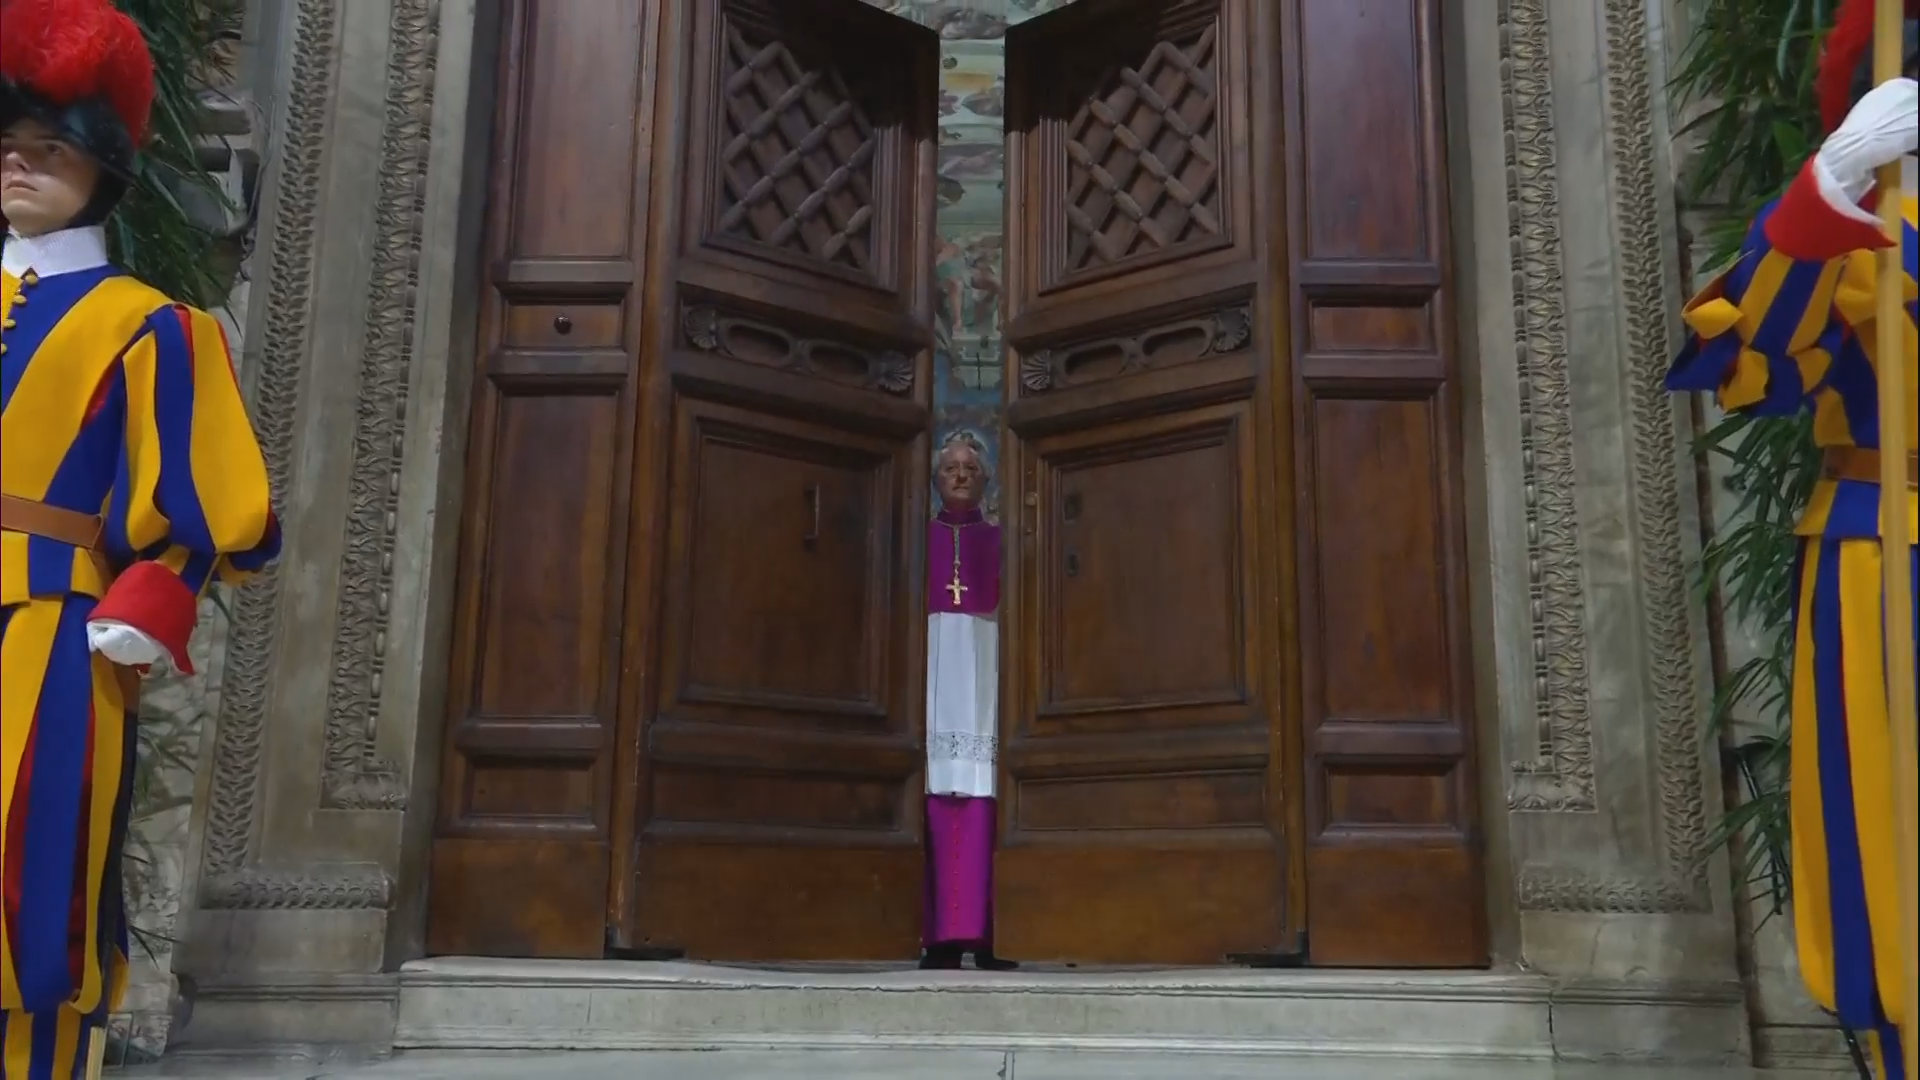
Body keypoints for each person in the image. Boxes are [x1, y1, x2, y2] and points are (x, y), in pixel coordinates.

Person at [1, 1, 281, 1075]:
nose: (20, 163)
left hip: (51, 632)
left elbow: (206, 507)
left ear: (103, 163)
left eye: (50, 147)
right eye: (8, 143)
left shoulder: (148, 324)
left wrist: (145, 606)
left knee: (39, 886)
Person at [1666, 2, 1917, 1075]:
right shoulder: (1872, 230)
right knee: (1892, 838)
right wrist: (1834, 183)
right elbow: (1756, 352)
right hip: (1886, 550)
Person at [920, 432, 1015, 971]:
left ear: (986, 480)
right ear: (935, 479)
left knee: (985, 800)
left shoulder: (1003, 541)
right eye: (950, 468)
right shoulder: (917, 539)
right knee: (933, 794)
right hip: (930, 673)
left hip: (986, 676)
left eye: (970, 469)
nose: (960, 475)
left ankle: (989, 937)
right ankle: (938, 938)